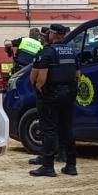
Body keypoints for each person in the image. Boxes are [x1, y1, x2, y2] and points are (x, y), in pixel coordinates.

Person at [29, 24, 80, 177]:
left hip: (51, 96)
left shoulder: (48, 52)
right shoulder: (72, 51)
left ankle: (48, 166)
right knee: (67, 129)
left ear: (53, 34)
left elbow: (39, 78)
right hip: (69, 94)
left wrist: (40, 89)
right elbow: (78, 75)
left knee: (49, 130)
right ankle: (71, 165)